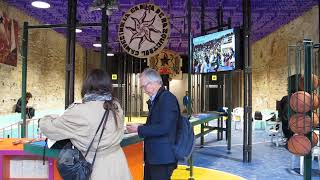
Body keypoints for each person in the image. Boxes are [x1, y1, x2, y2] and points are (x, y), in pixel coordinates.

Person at [39, 69, 132, 180]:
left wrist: (47, 118)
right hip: (119, 165)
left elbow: (50, 129)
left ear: (86, 86)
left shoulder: (79, 111)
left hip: (97, 169)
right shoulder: (116, 106)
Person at [126, 68, 179, 180]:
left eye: (144, 86)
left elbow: (164, 127)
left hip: (162, 158)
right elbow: (156, 125)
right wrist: (141, 126)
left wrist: (139, 129)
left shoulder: (167, 99)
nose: (144, 90)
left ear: (154, 83)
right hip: (155, 157)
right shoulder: (159, 99)